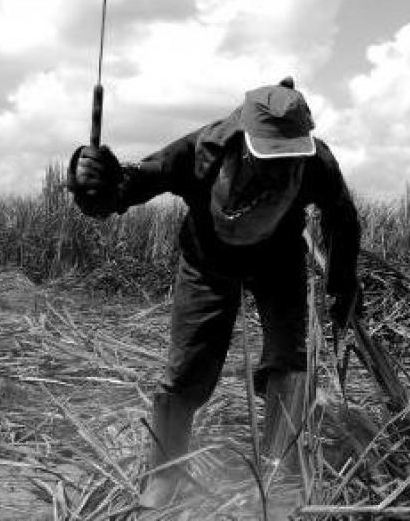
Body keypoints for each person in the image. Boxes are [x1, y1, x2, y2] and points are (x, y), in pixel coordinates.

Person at [66, 77, 361, 508]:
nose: (279, 168)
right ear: (245, 140)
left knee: (290, 360)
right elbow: (124, 190)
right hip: (208, 261)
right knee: (186, 369)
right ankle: (164, 476)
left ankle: (276, 472)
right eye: (270, 156)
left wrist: (343, 283)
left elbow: (342, 219)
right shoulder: (199, 153)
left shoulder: (316, 162)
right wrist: (95, 182)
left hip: (279, 261)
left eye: (289, 156)